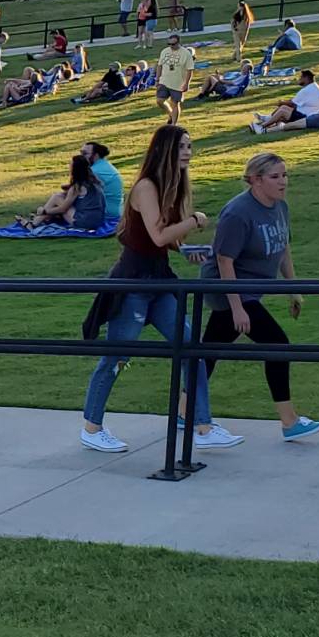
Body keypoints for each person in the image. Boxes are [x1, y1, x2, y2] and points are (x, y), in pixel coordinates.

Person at [81, 125, 232, 452]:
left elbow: (166, 240)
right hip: (133, 282)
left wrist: (186, 248)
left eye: (190, 147)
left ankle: (201, 426)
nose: (188, 153)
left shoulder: (172, 186)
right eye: (182, 147)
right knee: (118, 356)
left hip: (160, 280)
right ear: (165, 150)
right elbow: (157, 236)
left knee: (191, 345)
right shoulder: (146, 187)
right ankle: (92, 428)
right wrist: (195, 220)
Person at [202, 151, 319, 442]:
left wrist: (293, 290)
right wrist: (237, 308)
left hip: (249, 293)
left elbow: (284, 247)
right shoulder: (238, 212)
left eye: (285, 175)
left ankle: (184, 412)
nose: (283, 182)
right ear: (256, 181)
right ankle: (289, 421)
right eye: (275, 176)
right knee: (277, 345)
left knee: (206, 353)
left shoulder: (280, 206)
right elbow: (223, 261)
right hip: (228, 290)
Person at [249, 70, 319, 132]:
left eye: (301, 77)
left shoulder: (307, 90)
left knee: (283, 110)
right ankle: (267, 119)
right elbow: (295, 103)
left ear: (306, 78)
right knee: (284, 108)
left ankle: (262, 127)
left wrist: (281, 102)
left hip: (307, 117)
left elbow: (292, 103)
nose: (299, 79)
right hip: (311, 114)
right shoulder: (314, 87)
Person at [255, 86, 319, 134]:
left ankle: (264, 128)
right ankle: (265, 126)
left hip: (314, 119)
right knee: (286, 124)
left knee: (288, 126)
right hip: (315, 119)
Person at [154, 33, 196, 125]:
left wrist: (186, 83)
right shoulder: (164, 51)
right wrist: (157, 79)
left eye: (173, 44)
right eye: (169, 44)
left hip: (178, 83)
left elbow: (189, 70)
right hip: (164, 81)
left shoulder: (186, 54)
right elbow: (159, 66)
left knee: (175, 103)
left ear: (178, 43)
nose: (171, 46)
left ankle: (173, 124)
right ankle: (170, 114)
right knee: (160, 101)